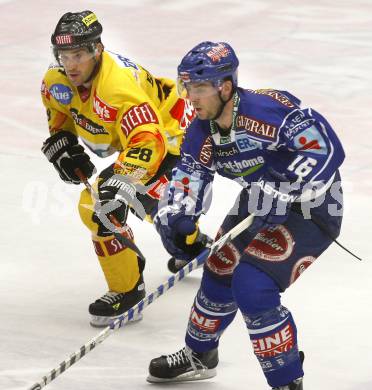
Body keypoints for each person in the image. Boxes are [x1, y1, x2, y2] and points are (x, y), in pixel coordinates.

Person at [147, 41, 345, 389]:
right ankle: (200, 354)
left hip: (314, 205)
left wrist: (292, 188)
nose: (191, 97)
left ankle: (286, 380)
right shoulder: (202, 128)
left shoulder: (266, 109)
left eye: (199, 88)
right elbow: (189, 177)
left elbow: (327, 147)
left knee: (252, 287)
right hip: (260, 199)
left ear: (225, 86)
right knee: (220, 266)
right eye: (187, 87)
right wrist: (179, 220)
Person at [40, 11, 210, 327]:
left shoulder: (117, 88)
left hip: (175, 137)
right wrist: (62, 142)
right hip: (147, 141)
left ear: (96, 50)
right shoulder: (56, 81)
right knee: (120, 209)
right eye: (64, 55)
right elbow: (60, 113)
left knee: (107, 206)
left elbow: (150, 139)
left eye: (77, 54)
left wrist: (122, 180)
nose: (71, 64)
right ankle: (186, 248)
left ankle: (136, 286)